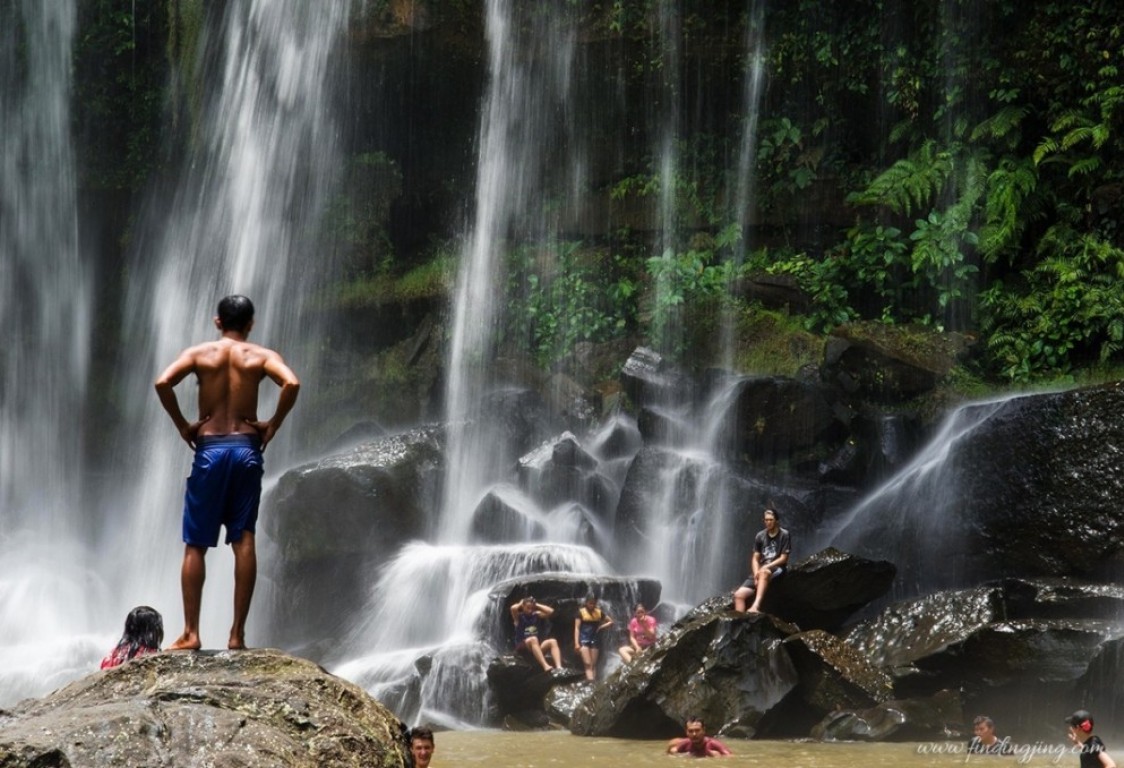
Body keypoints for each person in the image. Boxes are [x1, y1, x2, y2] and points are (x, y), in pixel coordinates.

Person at [155, 295, 300, 651]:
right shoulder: (263, 356)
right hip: (247, 449)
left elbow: (162, 383)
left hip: (210, 449)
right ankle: (237, 635)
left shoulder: (199, 354)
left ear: (217, 321)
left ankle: (191, 633)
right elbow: (292, 384)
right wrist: (272, 426)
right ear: (250, 324)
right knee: (244, 540)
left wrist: (183, 426)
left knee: (195, 545)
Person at [733, 507, 791, 614]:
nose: (768, 522)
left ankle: (756, 606)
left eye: (771, 520)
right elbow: (755, 558)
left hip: (777, 568)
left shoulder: (784, 534)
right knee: (738, 595)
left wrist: (766, 567)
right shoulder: (760, 536)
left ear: (776, 521)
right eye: (766, 520)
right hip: (761, 570)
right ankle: (739, 621)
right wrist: (756, 574)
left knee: (764, 572)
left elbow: (784, 558)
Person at [510, 596, 563, 672]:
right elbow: (513, 608)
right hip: (523, 646)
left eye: (532, 608)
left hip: (535, 646)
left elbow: (551, 611)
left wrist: (537, 604)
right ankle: (545, 666)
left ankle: (559, 667)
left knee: (552, 641)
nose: (530, 610)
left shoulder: (536, 615)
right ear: (523, 607)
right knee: (533, 639)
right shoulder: (518, 617)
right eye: (528, 607)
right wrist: (521, 603)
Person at [573, 593, 614, 681]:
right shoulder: (580, 612)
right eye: (590, 603)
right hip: (583, 639)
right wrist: (576, 643)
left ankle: (592, 682)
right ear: (586, 602)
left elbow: (611, 621)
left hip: (595, 639)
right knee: (587, 663)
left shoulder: (599, 612)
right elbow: (577, 628)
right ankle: (591, 681)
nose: (592, 605)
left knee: (593, 664)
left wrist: (601, 627)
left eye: (594, 603)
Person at [666, 717, 732, 757]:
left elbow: (731, 758)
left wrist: (719, 758)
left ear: (703, 730)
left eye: (697, 730)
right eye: (690, 731)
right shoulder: (685, 744)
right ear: (686, 732)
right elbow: (671, 752)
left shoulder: (713, 745)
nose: (694, 734)